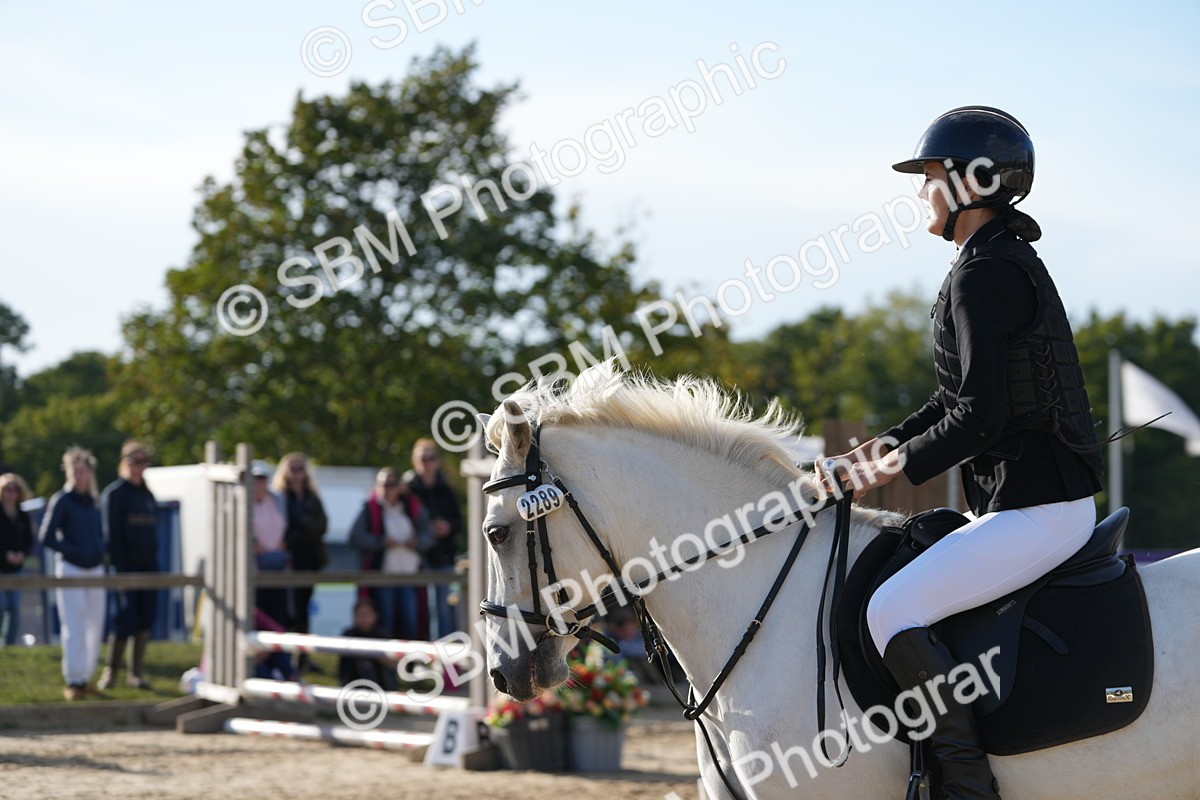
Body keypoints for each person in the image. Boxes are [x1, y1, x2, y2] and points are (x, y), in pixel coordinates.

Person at [826, 107, 1103, 800]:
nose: (921, 193)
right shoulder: (989, 263)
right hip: (1025, 502)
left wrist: (884, 471)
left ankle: (968, 782)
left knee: (888, 611)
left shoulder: (987, 274)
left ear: (970, 181)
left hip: (1038, 507)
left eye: (928, 178)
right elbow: (950, 403)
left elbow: (979, 419)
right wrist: (863, 459)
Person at [40, 447, 109, 700]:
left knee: (95, 624)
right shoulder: (63, 500)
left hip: (95, 568)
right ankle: (73, 679)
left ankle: (85, 677)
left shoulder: (92, 501)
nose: (79, 475)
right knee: (74, 624)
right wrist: (73, 550)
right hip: (71, 567)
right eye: (74, 470)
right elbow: (46, 536)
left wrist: (100, 551)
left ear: (90, 472)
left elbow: (101, 535)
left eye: (83, 470)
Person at [98, 441, 159, 690]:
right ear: (124, 463)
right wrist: (118, 570)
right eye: (135, 461)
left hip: (149, 566)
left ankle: (136, 673)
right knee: (124, 619)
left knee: (145, 619)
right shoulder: (115, 494)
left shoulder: (146, 494)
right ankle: (110, 672)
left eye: (144, 461)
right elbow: (111, 537)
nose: (140, 467)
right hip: (125, 567)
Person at [349, 467, 434, 640]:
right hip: (383, 577)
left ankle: (411, 664)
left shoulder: (412, 507)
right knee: (385, 623)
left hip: (410, 577)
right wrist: (381, 542)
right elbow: (355, 537)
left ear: (399, 486)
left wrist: (416, 542)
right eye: (383, 484)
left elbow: (429, 535)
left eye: (392, 484)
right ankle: (387, 666)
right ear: (377, 486)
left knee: (411, 623)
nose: (388, 488)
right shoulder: (370, 509)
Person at [273, 452, 327, 670]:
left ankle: (303, 656)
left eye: (300, 468)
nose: (297, 473)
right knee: (288, 609)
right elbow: (283, 529)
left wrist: (301, 528)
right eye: (292, 468)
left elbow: (322, 525)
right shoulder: (279, 497)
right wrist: (303, 529)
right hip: (287, 561)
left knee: (303, 608)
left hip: (309, 559)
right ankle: (286, 657)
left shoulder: (313, 497)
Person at [404, 439, 463, 638]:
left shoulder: (446, 490)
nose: (427, 462)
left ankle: (443, 659)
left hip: (443, 557)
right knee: (416, 612)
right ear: (415, 461)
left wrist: (447, 527)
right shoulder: (407, 490)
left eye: (431, 458)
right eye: (423, 458)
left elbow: (459, 523)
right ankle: (420, 656)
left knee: (442, 611)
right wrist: (424, 531)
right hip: (414, 558)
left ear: (436, 461)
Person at [251, 460, 292, 637]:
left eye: (262, 478)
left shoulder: (277, 499)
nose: (259, 482)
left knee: (278, 613)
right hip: (254, 568)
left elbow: (287, 527)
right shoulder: (242, 502)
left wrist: (285, 541)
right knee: (259, 613)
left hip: (278, 565)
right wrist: (252, 545)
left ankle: (279, 659)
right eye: (254, 478)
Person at [0, 472, 34, 646]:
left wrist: (22, 554)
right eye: (7, 489)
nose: (11, 493)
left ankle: (9, 646)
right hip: (1, 567)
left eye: (14, 489)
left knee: (14, 608)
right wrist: (5, 555)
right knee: (1, 605)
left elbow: (29, 541)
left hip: (16, 569)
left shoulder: (22, 515)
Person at [338, 596, 398, 691]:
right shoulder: (349, 635)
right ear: (354, 617)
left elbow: (394, 664)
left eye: (367, 614)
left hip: (381, 681)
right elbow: (343, 668)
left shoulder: (382, 634)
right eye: (360, 615)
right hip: (355, 681)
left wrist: (376, 655)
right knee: (365, 666)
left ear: (375, 616)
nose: (364, 619)